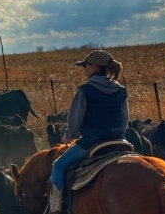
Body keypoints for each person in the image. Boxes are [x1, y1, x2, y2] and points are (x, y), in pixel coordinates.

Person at [47, 50, 127, 214]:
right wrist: (117, 133)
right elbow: (125, 119)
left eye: (85, 66)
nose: (84, 69)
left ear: (94, 67)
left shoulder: (85, 90)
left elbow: (75, 119)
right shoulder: (120, 90)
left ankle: (55, 208)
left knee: (58, 165)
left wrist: (68, 135)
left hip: (91, 142)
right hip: (119, 141)